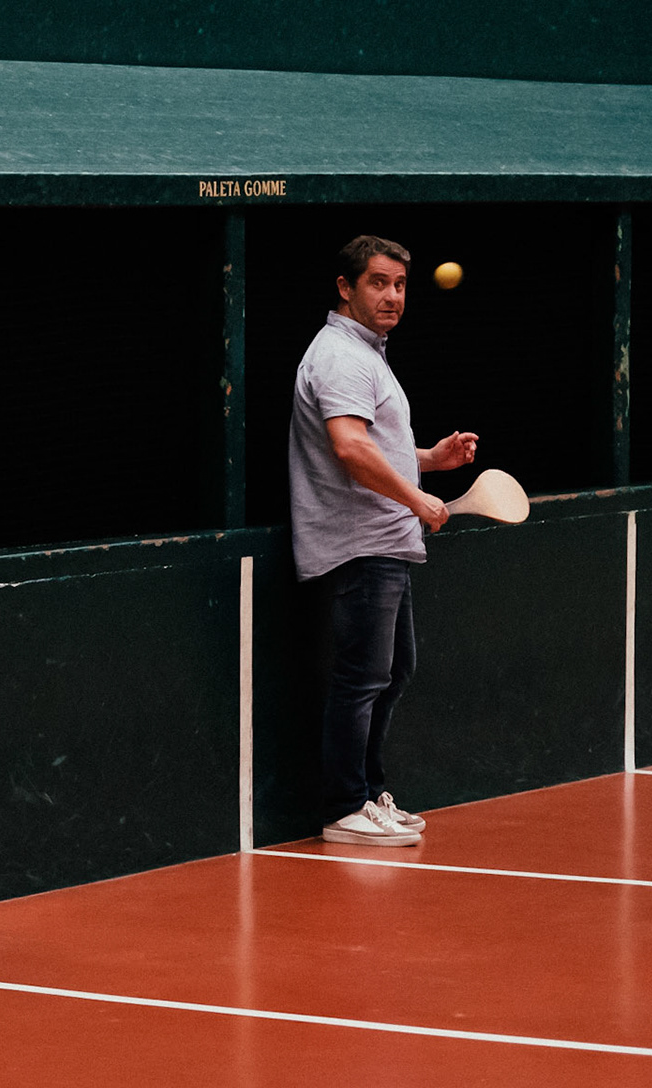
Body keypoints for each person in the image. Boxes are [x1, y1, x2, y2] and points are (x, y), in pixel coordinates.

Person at [288, 236, 478, 847]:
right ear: (345, 287)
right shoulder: (342, 356)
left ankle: (369, 794)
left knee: (393, 672)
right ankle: (345, 805)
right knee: (363, 677)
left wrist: (429, 460)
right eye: (378, 282)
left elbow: (376, 447)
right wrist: (416, 497)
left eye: (399, 284)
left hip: (386, 541)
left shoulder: (368, 355)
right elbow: (348, 447)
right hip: (361, 542)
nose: (392, 295)